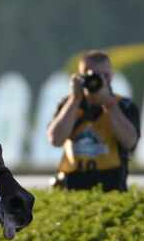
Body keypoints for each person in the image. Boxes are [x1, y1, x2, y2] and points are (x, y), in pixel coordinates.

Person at [46, 50, 139, 191]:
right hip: (70, 188)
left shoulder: (124, 105)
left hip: (111, 189)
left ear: (112, 77)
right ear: (80, 76)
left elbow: (130, 141)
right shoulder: (68, 104)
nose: (98, 80)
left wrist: (110, 104)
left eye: (105, 76)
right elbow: (55, 139)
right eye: (91, 75)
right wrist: (75, 99)